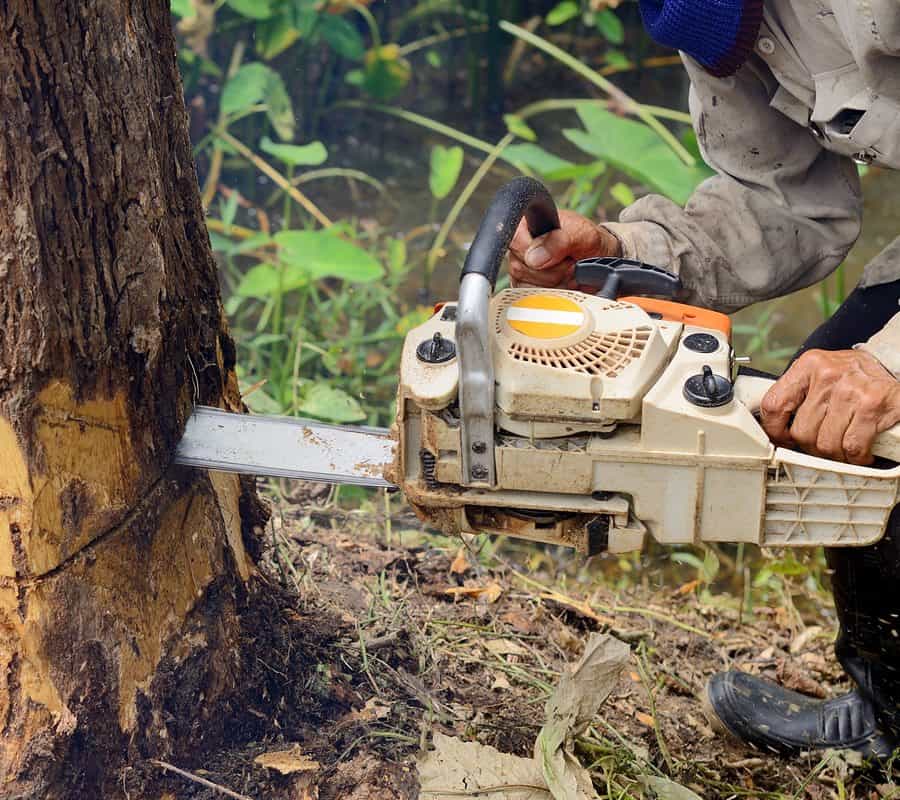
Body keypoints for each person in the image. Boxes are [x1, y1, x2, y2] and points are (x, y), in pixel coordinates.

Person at [509, 0, 900, 758]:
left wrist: (891, 362)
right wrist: (629, 254)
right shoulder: (706, 20)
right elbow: (783, 202)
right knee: (837, 426)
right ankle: (894, 722)